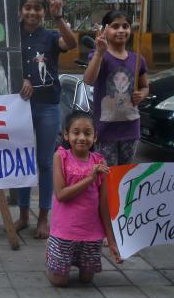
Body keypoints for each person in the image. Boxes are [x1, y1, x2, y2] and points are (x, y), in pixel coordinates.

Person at [14, 0, 77, 238]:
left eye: (37, 8)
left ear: (44, 12)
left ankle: (43, 218)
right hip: (19, 107)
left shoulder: (51, 36)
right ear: (21, 10)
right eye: (28, 7)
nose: (32, 12)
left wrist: (59, 18)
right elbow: (3, 64)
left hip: (48, 105)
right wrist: (21, 79)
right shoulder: (12, 36)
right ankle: (22, 215)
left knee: (44, 163)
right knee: (22, 161)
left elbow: (70, 44)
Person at [46, 111, 122, 286]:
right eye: (76, 132)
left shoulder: (100, 163)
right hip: (64, 230)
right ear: (66, 134)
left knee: (87, 279)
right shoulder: (61, 157)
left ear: (95, 137)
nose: (81, 137)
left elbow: (104, 206)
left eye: (87, 133)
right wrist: (90, 178)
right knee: (60, 281)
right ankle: (51, 251)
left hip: (91, 232)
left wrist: (111, 241)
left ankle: (65, 260)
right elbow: (61, 194)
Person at [83, 10, 149, 166]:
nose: (121, 30)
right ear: (106, 30)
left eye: (125, 26)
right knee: (106, 178)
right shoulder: (99, 56)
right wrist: (100, 52)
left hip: (131, 130)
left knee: (125, 178)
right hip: (104, 131)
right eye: (115, 26)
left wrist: (142, 94)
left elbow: (145, 86)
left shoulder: (138, 58)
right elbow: (88, 79)